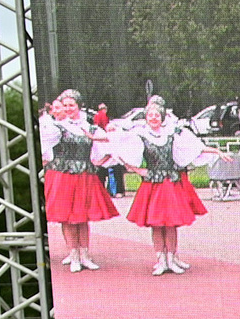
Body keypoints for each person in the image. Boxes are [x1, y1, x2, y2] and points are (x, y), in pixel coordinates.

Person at [113, 97, 210, 276]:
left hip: (170, 183)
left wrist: (216, 151)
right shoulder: (140, 135)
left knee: (171, 223)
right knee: (157, 224)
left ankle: (172, 258)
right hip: (153, 184)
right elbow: (120, 149)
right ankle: (161, 259)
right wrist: (136, 169)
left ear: (162, 117)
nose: (153, 118)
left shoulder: (171, 134)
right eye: (150, 115)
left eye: (156, 115)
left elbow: (192, 147)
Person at [39, 90, 114, 270]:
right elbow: (43, 148)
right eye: (65, 105)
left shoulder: (89, 127)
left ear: (79, 106)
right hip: (63, 176)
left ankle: (85, 255)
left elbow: (111, 143)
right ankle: (73, 255)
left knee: (82, 217)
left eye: (71, 105)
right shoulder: (56, 127)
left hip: (84, 176)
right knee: (68, 217)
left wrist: (97, 162)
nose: (68, 108)